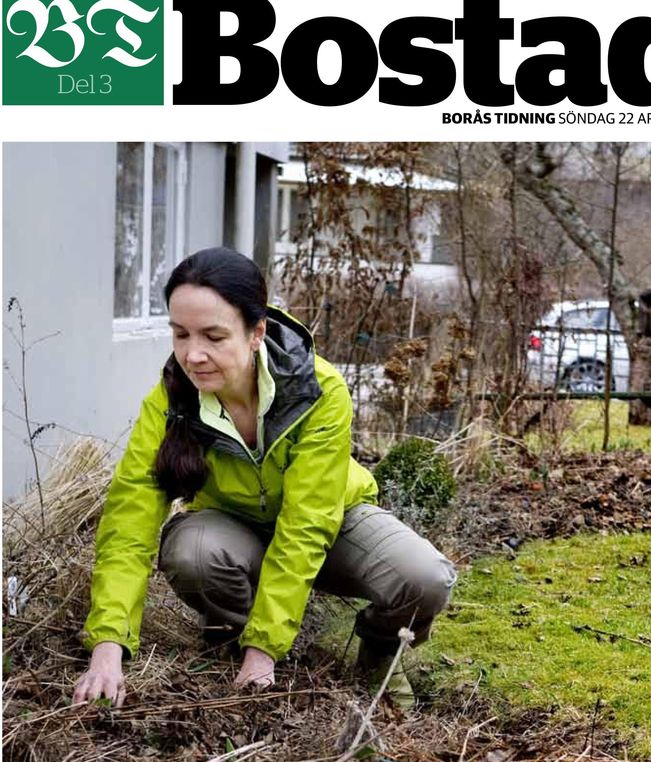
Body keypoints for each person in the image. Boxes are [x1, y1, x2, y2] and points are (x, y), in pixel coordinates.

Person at [72, 246, 456, 713]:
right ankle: (230, 639)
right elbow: (128, 522)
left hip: (333, 518)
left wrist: (266, 651)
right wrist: (108, 648)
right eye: (180, 334)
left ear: (257, 332)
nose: (194, 355)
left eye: (214, 336)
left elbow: (306, 523)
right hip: (233, 527)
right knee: (192, 549)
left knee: (425, 579)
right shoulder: (168, 402)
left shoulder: (318, 391)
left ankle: (376, 655)